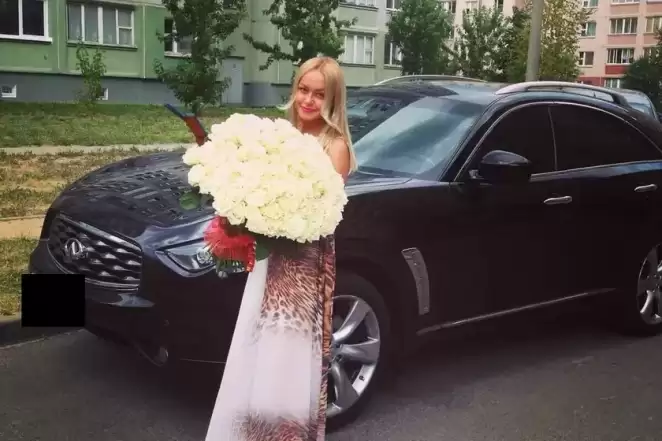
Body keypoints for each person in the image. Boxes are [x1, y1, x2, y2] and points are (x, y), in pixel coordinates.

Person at [204, 56, 357, 440]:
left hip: (302, 268)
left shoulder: (334, 146)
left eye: (319, 95)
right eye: (303, 90)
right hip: (270, 259)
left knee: (287, 357)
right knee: (256, 347)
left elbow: (319, 214)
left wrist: (267, 204)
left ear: (333, 100)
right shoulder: (281, 136)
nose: (308, 100)